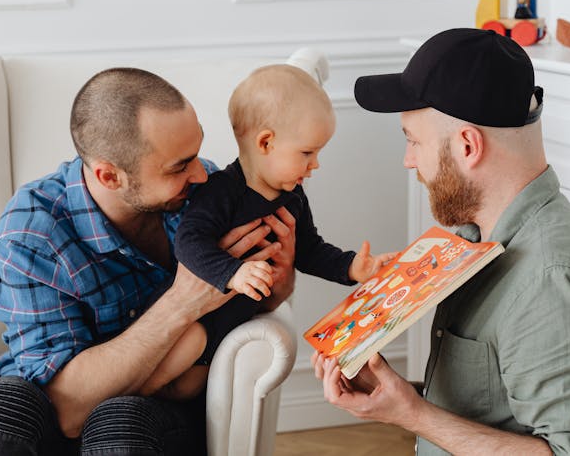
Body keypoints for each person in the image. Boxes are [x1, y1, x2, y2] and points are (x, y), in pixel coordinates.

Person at [311, 28, 570, 455]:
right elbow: (492, 405)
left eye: (414, 141)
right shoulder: (474, 235)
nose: (408, 160)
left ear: (468, 145)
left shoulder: (547, 282)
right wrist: (392, 395)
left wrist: (411, 414)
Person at [0, 67, 297, 455]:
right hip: (55, 404)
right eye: (179, 166)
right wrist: (184, 301)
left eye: (196, 153)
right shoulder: (32, 233)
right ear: (110, 176)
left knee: (120, 422)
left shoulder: (207, 197)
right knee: (1, 413)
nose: (201, 174)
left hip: (154, 416)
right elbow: (66, 410)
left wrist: (278, 282)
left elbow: (251, 298)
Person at [138, 64, 395, 398]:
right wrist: (233, 272)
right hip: (198, 321)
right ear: (266, 142)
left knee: (192, 389)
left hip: (233, 330)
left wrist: (352, 267)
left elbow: (310, 249)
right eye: (307, 153)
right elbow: (188, 243)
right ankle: (125, 404)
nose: (315, 164)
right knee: (182, 357)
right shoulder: (220, 191)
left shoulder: (293, 198)